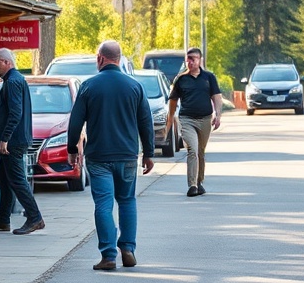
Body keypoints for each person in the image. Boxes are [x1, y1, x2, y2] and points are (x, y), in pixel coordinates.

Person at [67, 40, 154, 271]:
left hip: (98, 157)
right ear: (120, 58)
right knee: (127, 201)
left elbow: (75, 122)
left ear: (100, 58)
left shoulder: (88, 86)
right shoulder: (134, 86)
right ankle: (127, 248)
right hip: (126, 155)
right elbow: (146, 121)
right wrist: (148, 153)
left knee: (103, 204)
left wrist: (72, 150)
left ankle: (108, 255)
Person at [0, 47, 44, 234]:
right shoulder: (14, 80)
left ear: (6, 62)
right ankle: (3, 218)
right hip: (16, 139)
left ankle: (35, 218)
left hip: (14, 142)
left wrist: (5, 138)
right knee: (3, 179)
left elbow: (15, 113)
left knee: (17, 180)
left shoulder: (13, 82)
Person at [166, 46, 223, 197]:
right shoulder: (181, 79)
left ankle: (199, 182)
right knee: (192, 150)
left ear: (200, 60)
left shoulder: (209, 77)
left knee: (200, 152)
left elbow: (216, 97)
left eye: (193, 59)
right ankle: (192, 185)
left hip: (205, 119)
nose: (190, 62)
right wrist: (170, 119)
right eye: (188, 59)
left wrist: (218, 115)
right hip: (187, 119)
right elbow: (173, 100)